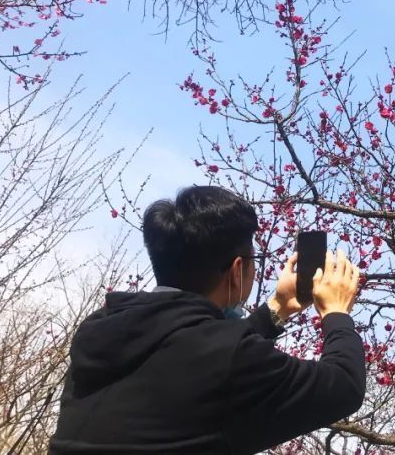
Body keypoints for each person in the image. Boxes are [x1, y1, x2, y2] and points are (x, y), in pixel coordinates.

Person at [49, 186, 366, 454]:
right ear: (237, 269)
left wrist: (277, 309)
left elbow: (195, 353)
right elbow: (343, 387)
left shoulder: (99, 329)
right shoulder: (227, 357)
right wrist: (336, 313)